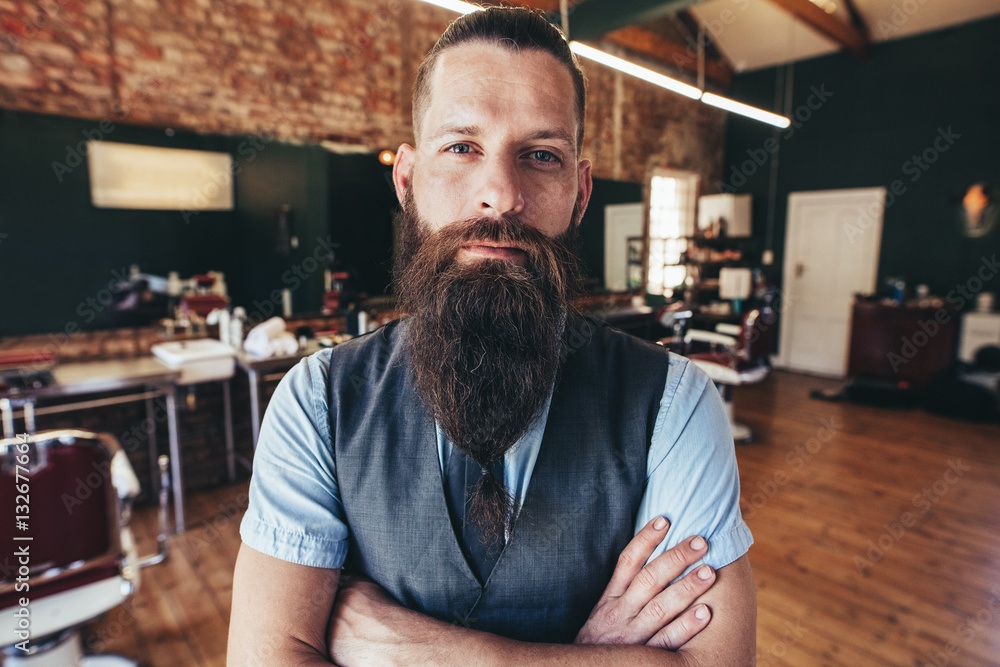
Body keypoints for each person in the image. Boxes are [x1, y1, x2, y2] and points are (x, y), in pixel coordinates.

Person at [228, 7, 755, 665]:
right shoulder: (318, 404)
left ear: (580, 193)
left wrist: (411, 647)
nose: (501, 194)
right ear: (407, 181)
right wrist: (588, 655)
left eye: (540, 155)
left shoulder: (675, 405)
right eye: (461, 147)